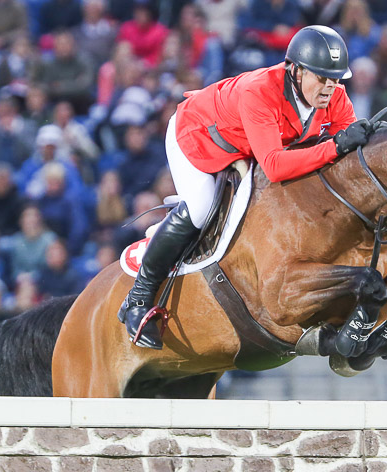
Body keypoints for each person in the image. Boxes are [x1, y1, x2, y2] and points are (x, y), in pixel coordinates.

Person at [117, 25, 372, 348]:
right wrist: (335, 146)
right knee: (200, 208)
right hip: (199, 137)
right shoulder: (260, 91)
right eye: (322, 78)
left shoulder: (335, 96)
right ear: (296, 71)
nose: (330, 88)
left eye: (335, 79)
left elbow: (347, 152)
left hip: (248, 148)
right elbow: (276, 166)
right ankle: (138, 299)